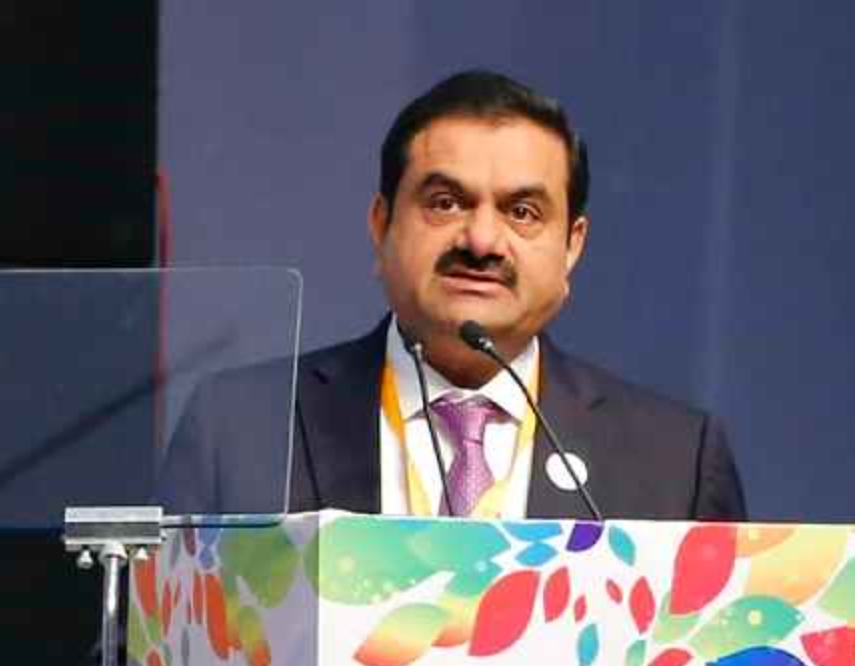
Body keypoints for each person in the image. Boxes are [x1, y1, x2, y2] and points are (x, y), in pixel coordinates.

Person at [159, 69, 745, 521]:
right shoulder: (239, 431)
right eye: (445, 203)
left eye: (522, 212)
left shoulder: (677, 464)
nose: (482, 241)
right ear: (381, 224)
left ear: (572, 245)